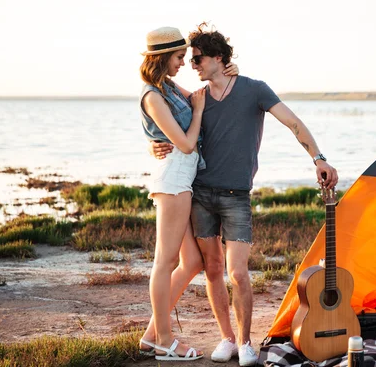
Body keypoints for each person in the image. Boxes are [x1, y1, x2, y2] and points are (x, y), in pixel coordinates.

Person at [150, 23, 338, 367]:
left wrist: (318, 157)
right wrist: (156, 145)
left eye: (198, 58)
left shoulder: (255, 90)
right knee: (211, 269)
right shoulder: (197, 99)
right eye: (188, 59)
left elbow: (293, 123)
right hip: (201, 194)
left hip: (238, 196)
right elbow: (169, 123)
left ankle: (245, 342)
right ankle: (225, 339)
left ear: (218, 58)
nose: (192, 65)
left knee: (237, 272)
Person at [137, 26, 238, 361]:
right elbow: (184, 142)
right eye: (180, 57)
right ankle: (164, 339)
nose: (184, 63)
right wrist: (195, 115)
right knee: (164, 261)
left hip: (183, 179)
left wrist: (229, 72)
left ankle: (152, 333)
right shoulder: (152, 95)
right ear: (163, 57)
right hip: (174, 180)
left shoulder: (166, 87)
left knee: (191, 261)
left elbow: (202, 94)